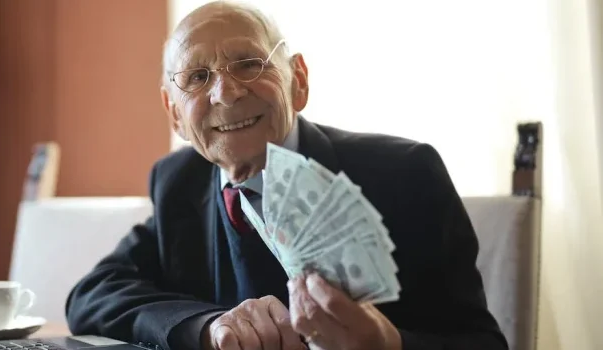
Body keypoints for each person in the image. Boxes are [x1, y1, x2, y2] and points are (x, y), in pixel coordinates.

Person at [65, 1, 508, 350]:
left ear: (298, 80)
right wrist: (206, 326)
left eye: (248, 64)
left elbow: (482, 343)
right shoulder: (179, 181)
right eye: (198, 76)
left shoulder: (405, 174)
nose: (226, 92)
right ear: (173, 114)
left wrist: (387, 344)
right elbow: (93, 294)